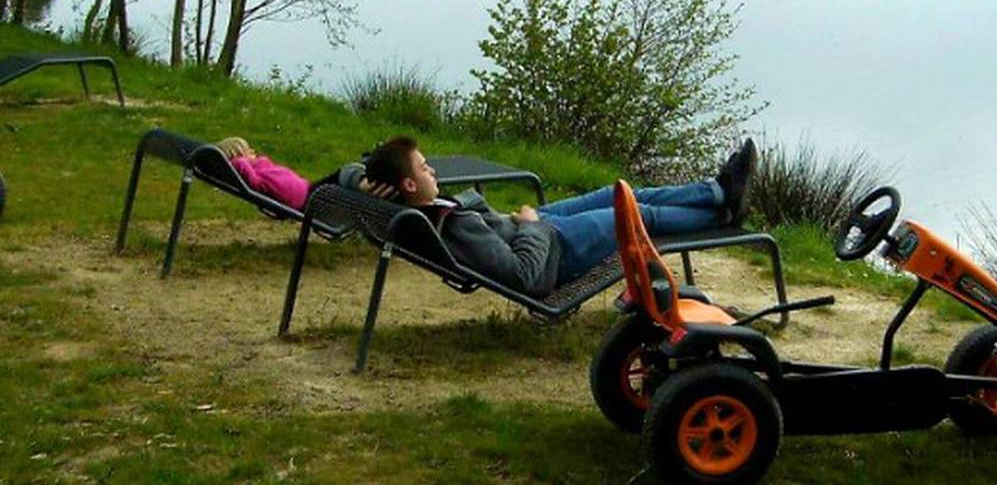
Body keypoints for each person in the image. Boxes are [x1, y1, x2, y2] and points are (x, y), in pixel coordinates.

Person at [362, 135, 758, 297]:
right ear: (409, 186)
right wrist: (532, 226)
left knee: (614, 192)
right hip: (553, 249)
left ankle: (718, 191)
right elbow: (524, 277)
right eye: (425, 168)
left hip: (533, 229)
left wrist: (359, 181)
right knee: (639, 215)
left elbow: (348, 171)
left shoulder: (411, 209)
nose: (432, 171)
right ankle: (722, 214)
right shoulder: (452, 225)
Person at [214, 137, 374, 210]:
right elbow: (253, 182)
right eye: (248, 151)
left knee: (346, 175)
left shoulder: (256, 168)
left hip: (308, 190)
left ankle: (370, 165)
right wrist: (242, 161)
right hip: (306, 198)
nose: (253, 151)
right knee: (344, 175)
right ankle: (371, 166)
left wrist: (248, 160)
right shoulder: (248, 172)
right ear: (238, 157)